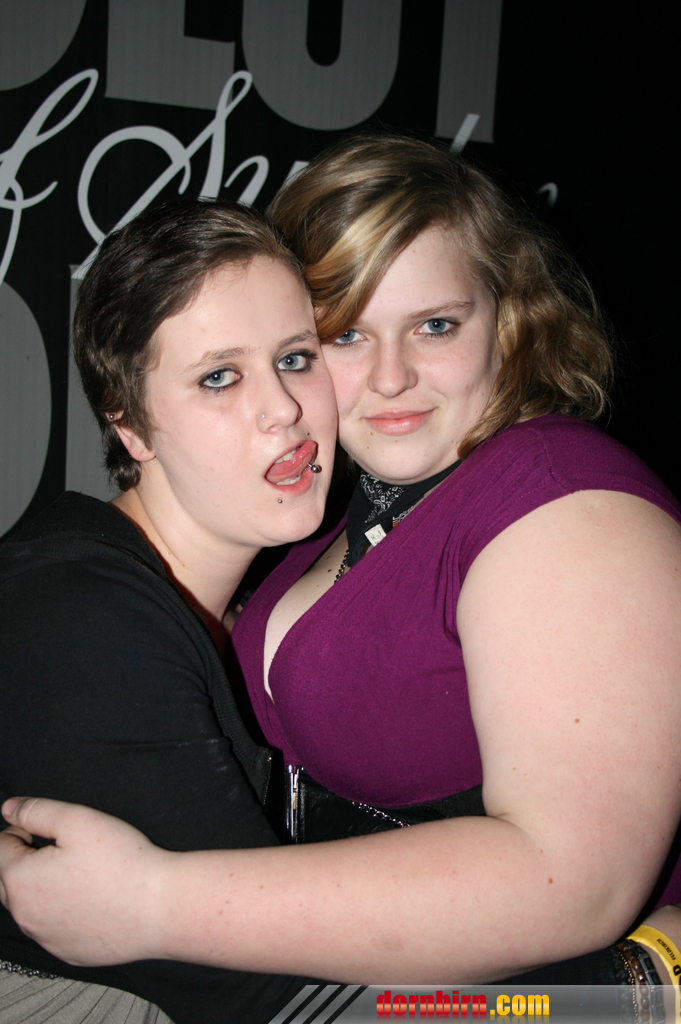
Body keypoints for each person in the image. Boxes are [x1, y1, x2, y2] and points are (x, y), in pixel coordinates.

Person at [1, 137, 681, 1010]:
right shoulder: (331, 523)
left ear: (507, 318)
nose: (392, 377)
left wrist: (157, 903)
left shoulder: (559, 497)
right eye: (346, 334)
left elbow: (574, 883)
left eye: (436, 325)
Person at [0, 197, 338, 1024]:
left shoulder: (240, 604)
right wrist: (595, 998)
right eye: (219, 376)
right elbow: (290, 1003)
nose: (283, 408)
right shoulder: (87, 625)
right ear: (131, 426)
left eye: (295, 358)